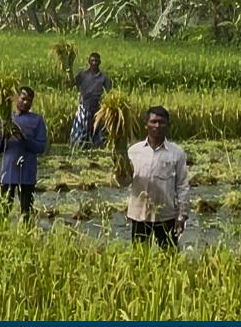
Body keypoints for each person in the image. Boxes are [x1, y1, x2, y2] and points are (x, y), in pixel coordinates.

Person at [124, 106, 190, 249]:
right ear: (146, 125)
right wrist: (120, 167)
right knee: (139, 257)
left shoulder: (176, 153)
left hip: (165, 215)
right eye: (153, 122)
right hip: (139, 214)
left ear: (168, 125)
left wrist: (181, 215)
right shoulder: (133, 151)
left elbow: (182, 186)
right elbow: (124, 182)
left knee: (170, 256)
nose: (157, 126)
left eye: (161, 122)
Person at [0, 86, 48, 222]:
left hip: (27, 173)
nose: (26, 103)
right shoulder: (6, 118)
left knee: (26, 212)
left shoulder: (37, 120)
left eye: (29, 101)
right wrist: (2, 135)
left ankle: (26, 236)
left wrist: (23, 138)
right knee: (3, 211)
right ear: (16, 98)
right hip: (8, 171)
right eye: (23, 99)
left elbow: (40, 147)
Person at [69, 52, 113, 149]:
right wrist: (68, 71)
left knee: (97, 130)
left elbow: (109, 93)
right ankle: (80, 146)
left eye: (96, 61)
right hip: (84, 107)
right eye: (92, 60)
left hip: (98, 108)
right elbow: (71, 85)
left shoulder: (103, 78)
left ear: (99, 62)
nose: (94, 63)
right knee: (83, 129)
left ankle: (97, 146)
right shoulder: (82, 75)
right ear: (89, 62)